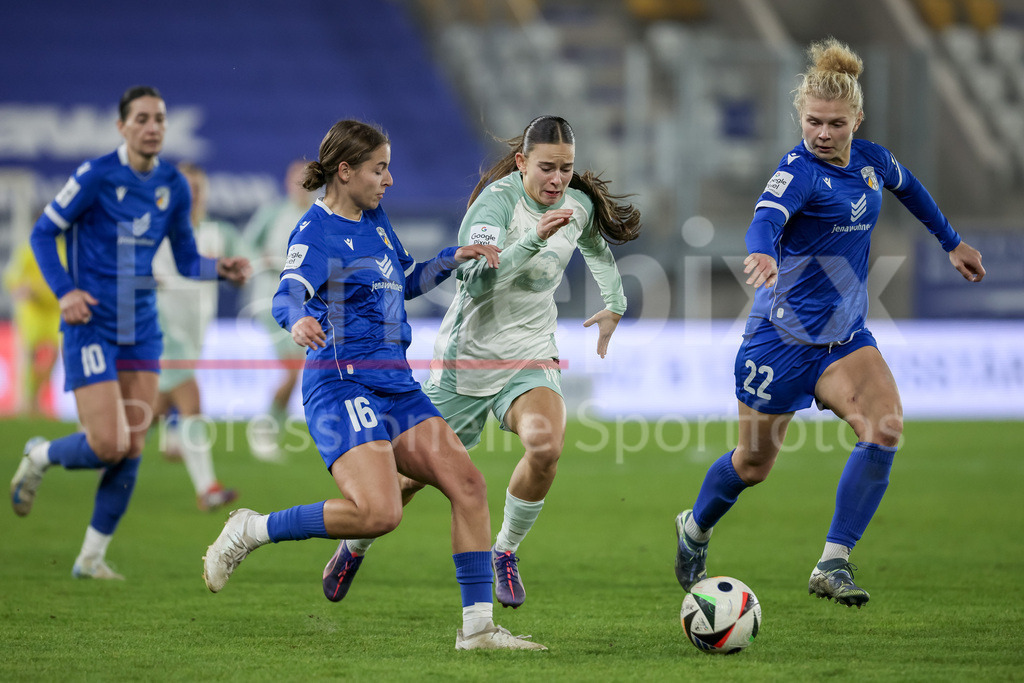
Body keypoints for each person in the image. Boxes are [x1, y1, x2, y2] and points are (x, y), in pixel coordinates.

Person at [201, 119, 546, 651]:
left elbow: (404, 281)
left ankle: (477, 630)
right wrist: (296, 321)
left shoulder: (376, 219)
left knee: (469, 486)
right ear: (345, 171)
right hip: (342, 386)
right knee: (379, 513)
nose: (389, 180)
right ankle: (252, 529)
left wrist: (450, 261)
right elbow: (287, 292)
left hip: (396, 387)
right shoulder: (314, 232)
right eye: (379, 168)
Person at [673, 38, 985, 607]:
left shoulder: (871, 161)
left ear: (856, 120)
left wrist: (951, 241)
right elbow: (765, 219)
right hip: (780, 340)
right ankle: (694, 528)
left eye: (835, 124)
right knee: (753, 463)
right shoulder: (797, 174)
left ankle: (832, 563)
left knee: (884, 428)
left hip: (844, 341)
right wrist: (763, 251)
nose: (822, 133)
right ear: (800, 117)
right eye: (813, 121)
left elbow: (910, 188)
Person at [334, 114, 642, 609]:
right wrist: (533, 239)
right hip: (467, 363)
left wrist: (614, 303)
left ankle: (505, 552)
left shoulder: (577, 204)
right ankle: (355, 545)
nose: (557, 180)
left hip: (530, 355)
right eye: (546, 168)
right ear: (522, 163)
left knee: (546, 445)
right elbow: (475, 280)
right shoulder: (494, 206)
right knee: (410, 479)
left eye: (565, 169)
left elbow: (596, 248)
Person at [9, 85, 250, 579]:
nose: (152, 127)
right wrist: (66, 293)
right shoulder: (96, 176)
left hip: (141, 331)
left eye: (159, 118)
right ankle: (39, 455)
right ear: (122, 127)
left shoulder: (173, 186)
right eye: (141, 119)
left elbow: (184, 259)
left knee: (133, 446)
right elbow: (42, 233)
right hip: (91, 324)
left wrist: (217, 269)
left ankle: (90, 558)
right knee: (107, 444)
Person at [152, 162, 244, 511]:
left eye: (198, 190)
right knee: (191, 400)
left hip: (193, 335)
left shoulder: (215, 233)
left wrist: (237, 273)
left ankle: (74, 452)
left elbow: (239, 263)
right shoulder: (156, 231)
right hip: (160, 331)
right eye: (185, 190)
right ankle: (208, 488)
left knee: (140, 421)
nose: (192, 197)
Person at [241, 160, 312, 462]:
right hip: (269, 301)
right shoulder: (273, 213)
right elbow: (244, 245)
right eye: (297, 180)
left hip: (302, 306)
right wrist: (263, 260)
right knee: (294, 370)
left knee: (300, 372)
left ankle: (270, 427)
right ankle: (264, 429)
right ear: (287, 182)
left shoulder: (318, 216)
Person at [3, 236, 62, 416]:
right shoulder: (30, 247)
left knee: (52, 356)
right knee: (33, 356)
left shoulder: (63, 248)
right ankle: (30, 402)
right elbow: (12, 275)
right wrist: (21, 288)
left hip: (54, 311)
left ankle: (35, 397)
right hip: (33, 312)